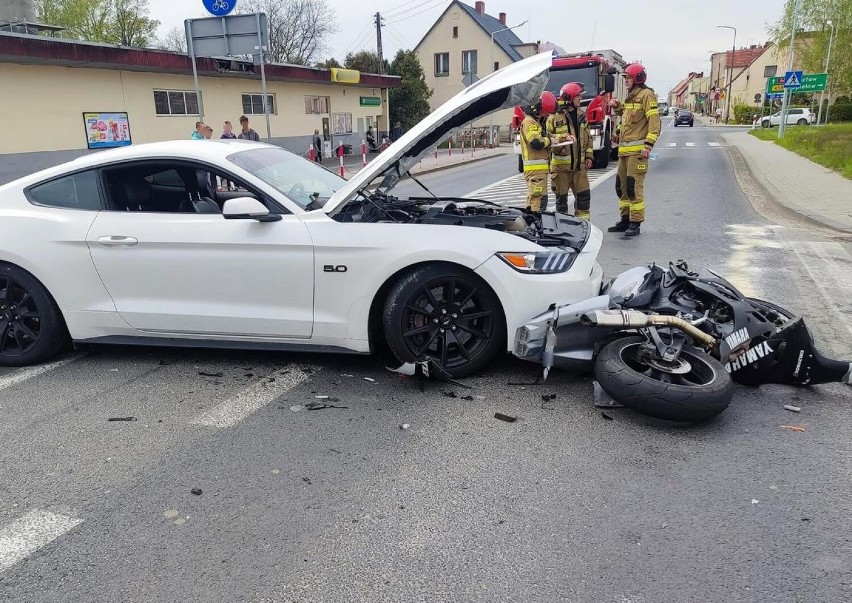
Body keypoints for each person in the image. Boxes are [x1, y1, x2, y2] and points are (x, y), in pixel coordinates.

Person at [607, 63, 661, 237]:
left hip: (637, 153)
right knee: (621, 187)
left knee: (633, 187)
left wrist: (648, 145)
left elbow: (654, 122)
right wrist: (617, 108)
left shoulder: (647, 95)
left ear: (637, 78)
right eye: (624, 78)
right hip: (624, 151)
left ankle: (635, 222)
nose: (625, 81)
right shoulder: (630, 98)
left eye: (628, 78)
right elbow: (627, 121)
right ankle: (625, 220)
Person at [546, 82, 594, 220]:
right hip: (561, 169)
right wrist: (562, 138)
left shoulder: (581, 115)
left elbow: (588, 138)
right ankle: (565, 230)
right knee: (561, 204)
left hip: (580, 167)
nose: (580, 99)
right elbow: (547, 138)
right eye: (578, 96)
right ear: (570, 98)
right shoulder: (554, 117)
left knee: (584, 200)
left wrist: (589, 156)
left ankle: (584, 227)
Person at [519, 90, 558, 217]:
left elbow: (545, 135)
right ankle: (535, 228)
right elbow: (536, 143)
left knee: (534, 201)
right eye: (545, 112)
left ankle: (531, 225)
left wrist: (562, 138)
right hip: (536, 172)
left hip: (538, 172)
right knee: (539, 202)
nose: (546, 115)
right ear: (536, 108)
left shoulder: (535, 122)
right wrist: (549, 141)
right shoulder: (529, 122)